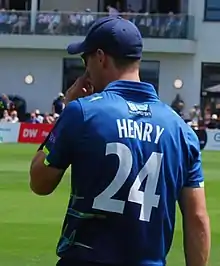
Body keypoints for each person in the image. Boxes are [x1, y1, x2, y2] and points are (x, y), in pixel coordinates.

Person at [30, 16, 210, 266]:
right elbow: (198, 218)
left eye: (86, 59)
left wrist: (67, 110)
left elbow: (40, 182)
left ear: (101, 57)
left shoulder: (82, 113)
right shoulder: (180, 129)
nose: (86, 70)